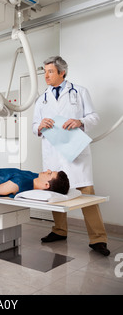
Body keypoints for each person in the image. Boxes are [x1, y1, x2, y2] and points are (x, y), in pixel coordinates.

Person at [32, 56, 110, 256]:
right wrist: (39, 126)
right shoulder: (42, 98)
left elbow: (94, 116)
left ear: (62, 72)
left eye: (50, 71)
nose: (46, 75)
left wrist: (80, 121)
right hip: (53, 155)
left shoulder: (80, 92)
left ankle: (98, 239)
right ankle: (59, 230)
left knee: (87, 195)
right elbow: (34, 126)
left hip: (76, 154)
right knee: (55, 195)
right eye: (44, 71)